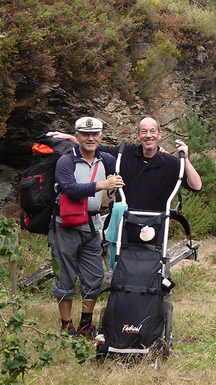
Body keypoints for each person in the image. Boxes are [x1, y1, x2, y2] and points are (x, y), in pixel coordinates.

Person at [49, 116, 201, 346]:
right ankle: (70, 325)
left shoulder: (168, 162)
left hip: (149, 229)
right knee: (80, 275)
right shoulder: (121, 155)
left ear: (160, 135)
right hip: (106, 228)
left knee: (107, 277)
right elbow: (88, 153)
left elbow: (196, 185)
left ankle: (98, 323)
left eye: (153, 131)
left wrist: (185, 158)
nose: (148, 135)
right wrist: (70, 138)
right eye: (144, 131)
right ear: (137, 135)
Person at [50, 117, 124, 338]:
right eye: (85, 134)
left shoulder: (107, 159)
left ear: (101, 137)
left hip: (92, 225)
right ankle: (66, 326)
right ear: (78, 136)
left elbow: (128, 166)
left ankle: (85, 324)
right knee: (65, 276)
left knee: (94, 276)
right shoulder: (65, 161)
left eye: (94, 134)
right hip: (65, 225)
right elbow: (70, 189)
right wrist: (103, 185)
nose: (90, 138)